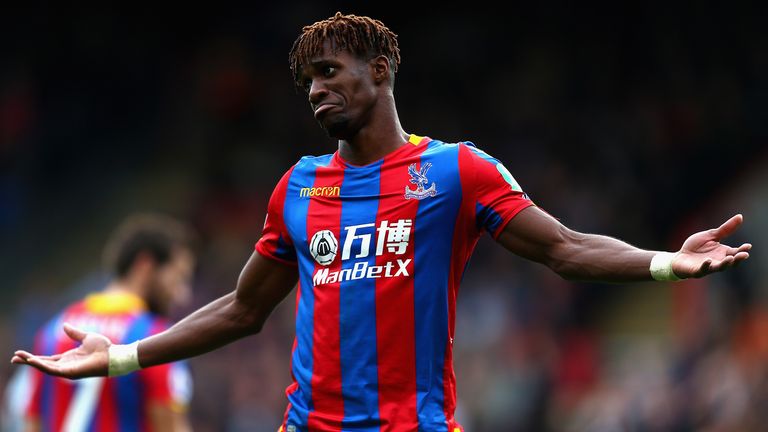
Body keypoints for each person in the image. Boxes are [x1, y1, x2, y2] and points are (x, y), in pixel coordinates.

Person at [11, 13, 751, 432]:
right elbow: (242, 310)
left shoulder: (455, 171)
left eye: (331, 72)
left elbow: (563, 247)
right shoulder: (299, 187)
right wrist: (122, 357)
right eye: (307, 82)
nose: (316, 91)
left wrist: (663, 262)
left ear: (381, 71)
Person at [12, 213, 196, 431]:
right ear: (145, 265)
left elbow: (31, 421)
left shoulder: (53, 329)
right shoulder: (156, 339)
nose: (182, 294)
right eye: (178, 277)